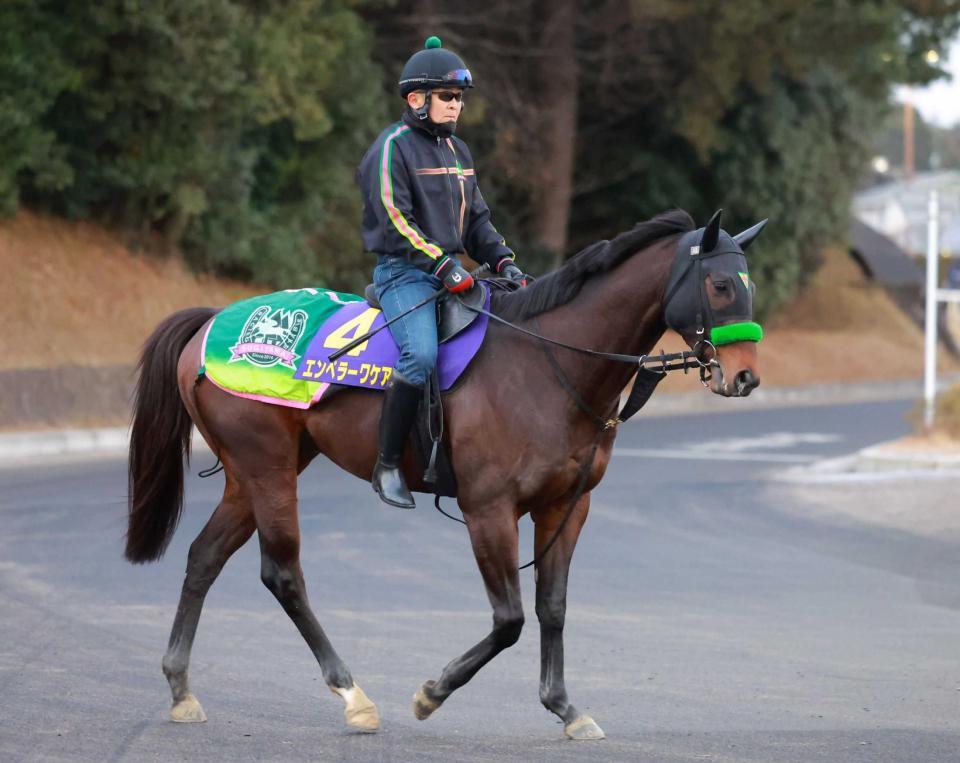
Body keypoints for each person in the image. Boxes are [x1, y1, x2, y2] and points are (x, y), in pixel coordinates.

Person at [357, 36, 526, 509]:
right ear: (416, 100)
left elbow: (477, 221)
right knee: (421, 355)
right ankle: (388, 463)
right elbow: (395, 220)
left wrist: (504, 261)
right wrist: (443, 265)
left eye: (459, 99)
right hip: (404, 274)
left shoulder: (458, 150)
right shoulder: (392, 148)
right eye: (447, 97)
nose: (456, 107)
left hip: (454, 271)